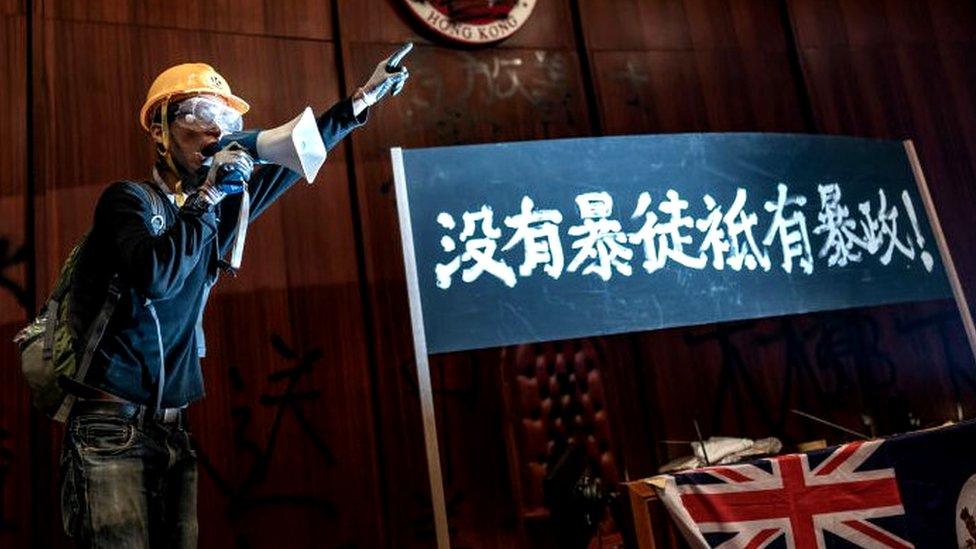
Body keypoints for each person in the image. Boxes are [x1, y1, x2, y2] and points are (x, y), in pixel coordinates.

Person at [57, 45, 412, 548]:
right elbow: (159, 274)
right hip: (109, 430)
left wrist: (361, 101)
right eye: (198, 113)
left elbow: (294, 160)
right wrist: (208, 196)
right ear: (159, 130)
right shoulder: (129, 201)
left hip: (172, 430)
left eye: (223, 116)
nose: (215, 127)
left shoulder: (217, 212)